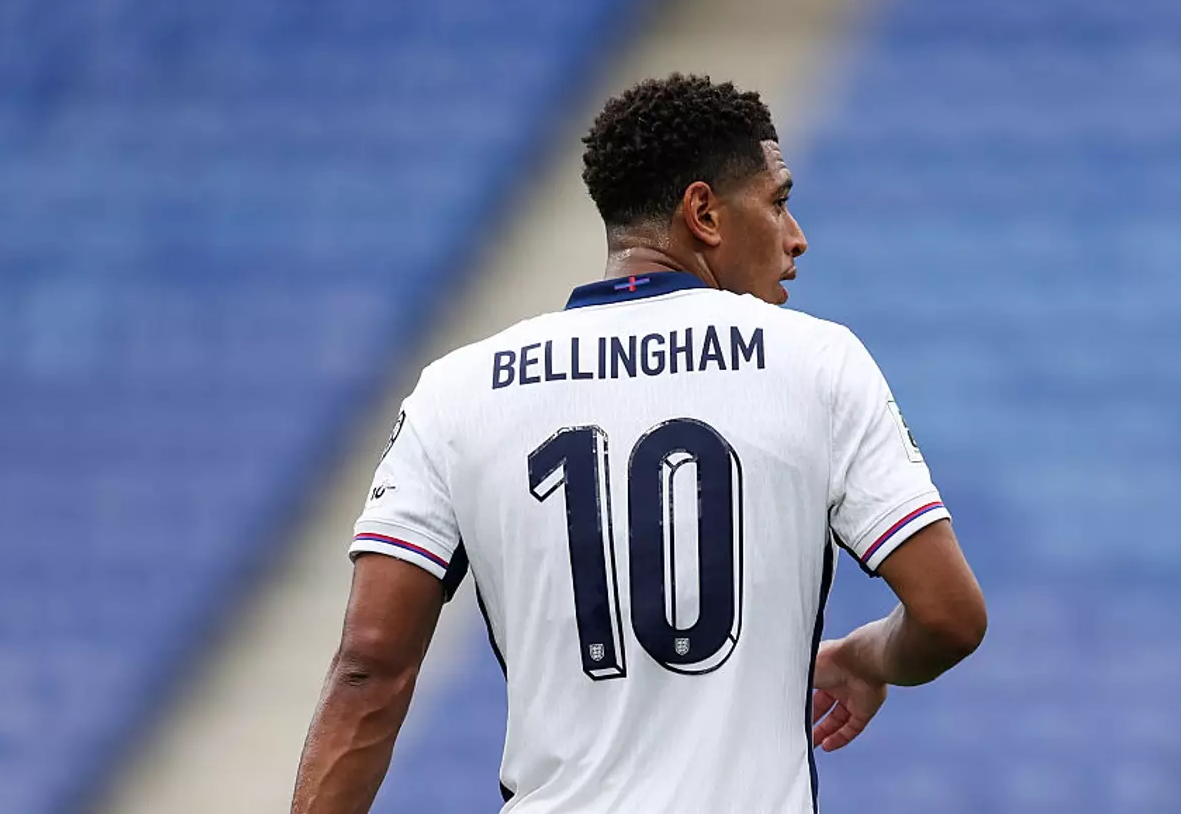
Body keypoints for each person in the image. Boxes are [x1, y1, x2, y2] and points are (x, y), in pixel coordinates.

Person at [291, 74, 987, 813]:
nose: (796, 236)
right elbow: (949, 617)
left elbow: (369, 670)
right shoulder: (817, 363)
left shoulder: (454, 392)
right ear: (704, 213)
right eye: (777, 201)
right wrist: (866, 654)